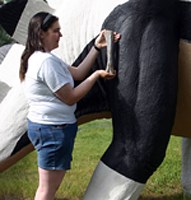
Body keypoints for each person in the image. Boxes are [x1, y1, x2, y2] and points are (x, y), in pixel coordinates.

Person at [19, 11, 120, 200]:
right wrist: (97, 75)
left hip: (51, 128)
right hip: (52, 130)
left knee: (49, 187)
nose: (61, 35)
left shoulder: (44, 57)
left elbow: (78, 73)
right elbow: (70, 97)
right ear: (42, 33)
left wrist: (96, 48)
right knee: (47, 189)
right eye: (56, 31)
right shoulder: (45, 62)